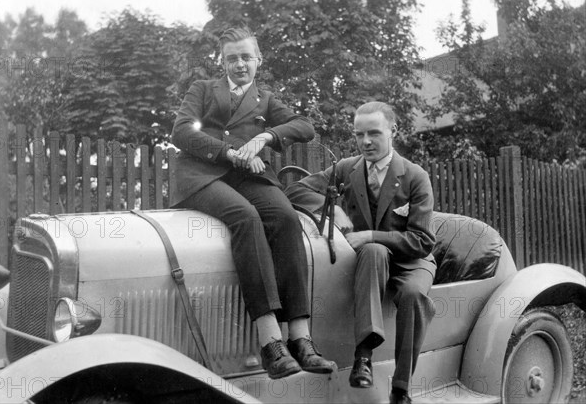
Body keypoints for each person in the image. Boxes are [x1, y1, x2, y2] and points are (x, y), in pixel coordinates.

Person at [170, 27, 333, 379]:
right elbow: (182, 131)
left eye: (246, 57)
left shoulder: (266, 99)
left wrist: (266, 135)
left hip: (251, 177)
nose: (239, 64)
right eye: (232, 58)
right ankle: (271, 342)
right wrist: (230, 153)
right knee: (245, 217)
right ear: (223, 61)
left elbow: (305, 127)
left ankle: (301, 338)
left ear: (258, 60)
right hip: (203, 176)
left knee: (286, 218)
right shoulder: (202, 90)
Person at [285, 102, 436, 404]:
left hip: (411, 260)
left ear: (394, 131)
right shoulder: (346, 169)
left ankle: (401, 389)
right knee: (373, 252)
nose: (365, 141)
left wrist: (370, 234)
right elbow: (296, 190)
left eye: (374, 133)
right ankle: (363, 357)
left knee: (413, 296)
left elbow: (422, 241)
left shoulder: (415, 176)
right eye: (359, 134)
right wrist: (333, 209)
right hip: (370, 260)